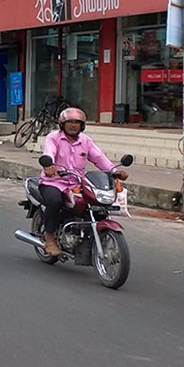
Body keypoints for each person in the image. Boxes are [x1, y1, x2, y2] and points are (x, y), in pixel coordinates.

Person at [37, 107, 127, 257]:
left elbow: (99, 158)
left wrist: (114, 171)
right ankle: (50, 238)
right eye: (70, 122)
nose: (73, 125)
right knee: (54, 201)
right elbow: (49, 153)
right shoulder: (53, 138)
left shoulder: (85, 141)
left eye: (77, 122)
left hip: (76, 183)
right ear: (62, 124)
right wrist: (49, 165)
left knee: (95, 204)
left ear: (82, 125)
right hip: (53, 182)